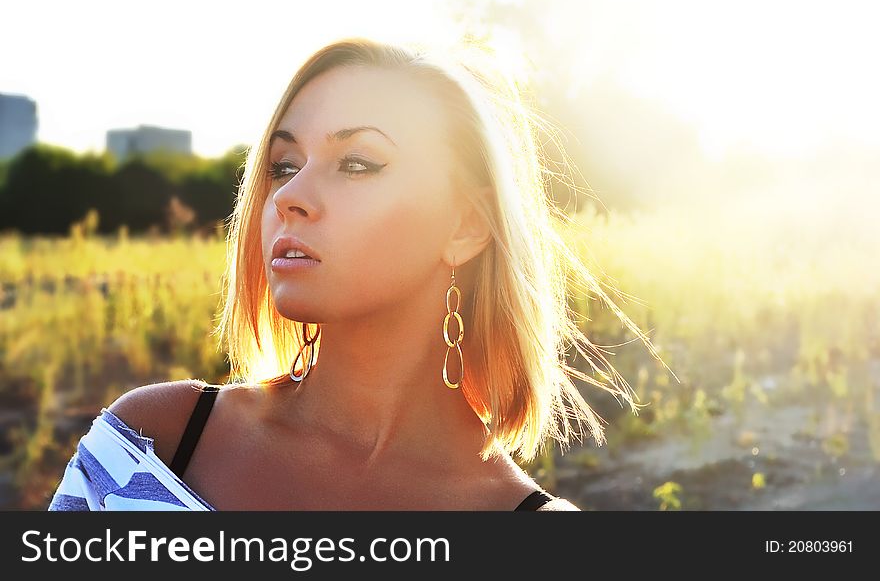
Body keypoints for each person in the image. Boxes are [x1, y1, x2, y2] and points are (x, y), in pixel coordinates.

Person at [48, 37, 661, 511]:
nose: (290, 196)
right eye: (284, 164)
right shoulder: (155, 443)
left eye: (358, 163)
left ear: (466, 226)